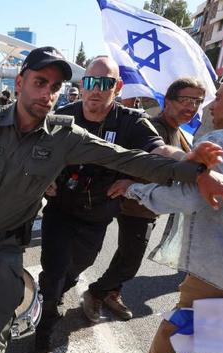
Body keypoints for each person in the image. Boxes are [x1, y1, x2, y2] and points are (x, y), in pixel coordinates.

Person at [0, 46, 223, 353]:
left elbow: (128, 158)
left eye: (55, 87)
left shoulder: (64, 134)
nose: (48, 93)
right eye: (40, 82)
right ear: (20, 82)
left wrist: (196, 171)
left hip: (8, 248)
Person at [34, 57, 222, 352]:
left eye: (104, 84)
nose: (95, 91)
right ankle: (45, 325)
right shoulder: (63, 116)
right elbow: (38, 152)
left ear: (117, 87)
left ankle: (54, 294)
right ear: (83, 86)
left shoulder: (131, 121)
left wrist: (188, 159)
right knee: (54, 270)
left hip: (97, 213)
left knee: (77, 267)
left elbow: (158, 148)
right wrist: (45, 178)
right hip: (60, 209)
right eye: (90, 83)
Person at [108, 72, 223, 353]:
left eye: (217, 98)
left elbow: (189, 199)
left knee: (178, 325)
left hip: (221, 267)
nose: (208, 106)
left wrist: (132, 189)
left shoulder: (222, 144)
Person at [80, 77, 207, 323]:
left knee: (126, 256)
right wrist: (132, 183)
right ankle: (95, 292)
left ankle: (112, 293)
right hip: (134, 205)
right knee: (129, 261)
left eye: (197, 102)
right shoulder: (154, 128)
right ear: (167, 101)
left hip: (148, 205)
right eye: (185, 100)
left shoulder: (178, 131)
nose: (191, 107)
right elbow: (139, 163)